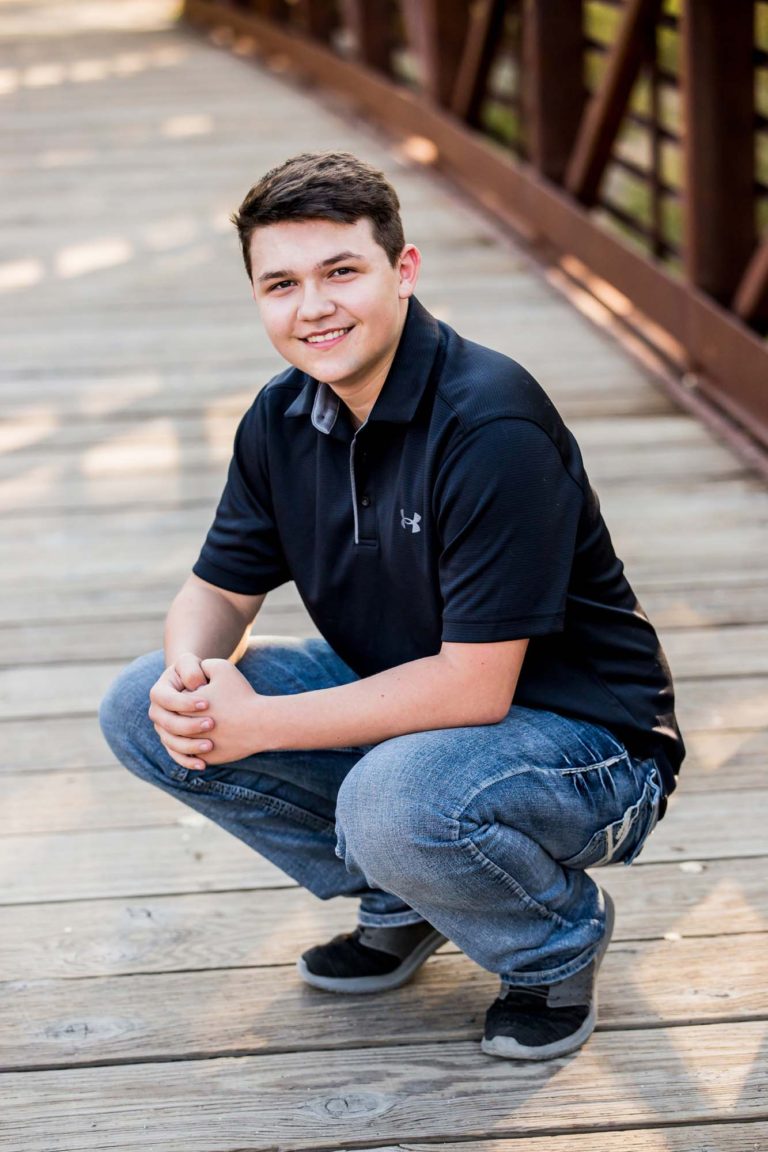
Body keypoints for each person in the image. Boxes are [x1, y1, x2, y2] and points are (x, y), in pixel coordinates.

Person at [100, 151, 684, 1062]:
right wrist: (191, 677)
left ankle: (552, 943)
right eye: (281, 284)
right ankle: (411, 893)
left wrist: (258, 725)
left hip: (587, 740)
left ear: (403, 272)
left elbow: (474, 690)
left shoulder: (491, 424)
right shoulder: (282, 416)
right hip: (417, 699)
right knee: (140, 706)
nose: (314, 308)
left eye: (342, 272)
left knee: (392, 797)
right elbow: (219, 589)